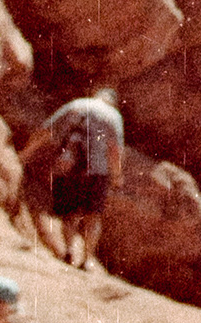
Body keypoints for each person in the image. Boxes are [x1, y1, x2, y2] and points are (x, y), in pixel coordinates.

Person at [19, 86, 125, 269]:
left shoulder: (76, 105)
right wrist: (116, 175)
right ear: (112, 101)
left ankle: (68, 252)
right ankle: (87, 259)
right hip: (97, 170)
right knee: (93, 215)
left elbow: (46, 130)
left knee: (69, 212)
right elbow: (114, 148)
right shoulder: (113, 115)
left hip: (69, 165)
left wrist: (25, 153)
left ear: (95, 95)